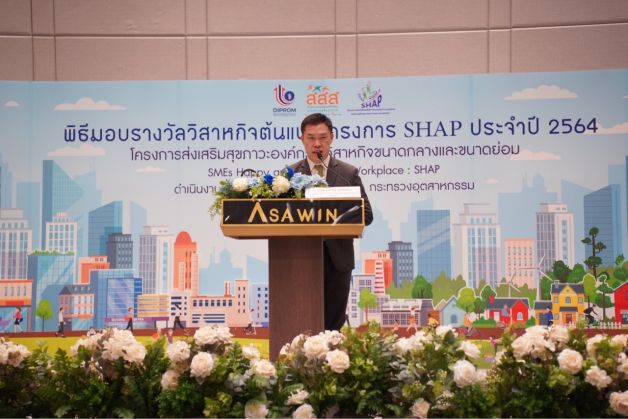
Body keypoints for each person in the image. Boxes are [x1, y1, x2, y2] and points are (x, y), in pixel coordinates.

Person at [290, 113, 373, 331]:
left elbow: (367, 214)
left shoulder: (348, 173)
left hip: (338, 259)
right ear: (302, 139)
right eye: (311, 138)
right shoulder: (290, 174)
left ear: (332, 138)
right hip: (300, 258)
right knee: (300, 319)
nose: (317, 144)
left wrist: (338, 211)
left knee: (333, 324)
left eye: (323, 137)